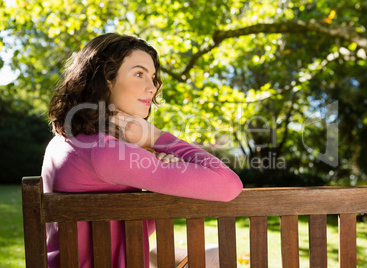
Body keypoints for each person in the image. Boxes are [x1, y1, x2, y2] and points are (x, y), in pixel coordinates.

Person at [42, 32, 243, 268]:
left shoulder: (66, 140)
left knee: (209, 253)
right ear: (105, 79)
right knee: (217, 256)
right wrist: (158, 137)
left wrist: (154, 168)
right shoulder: (106, 152)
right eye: (139, 74)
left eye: (153, 77)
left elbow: (130, 222)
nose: (152, 87)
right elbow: (230, 185)